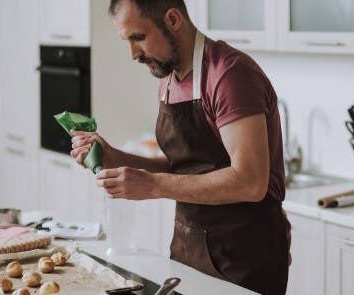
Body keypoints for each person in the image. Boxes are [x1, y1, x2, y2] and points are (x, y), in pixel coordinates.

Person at [70, 1, 290, 293]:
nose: (134, 54)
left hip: (243, 257)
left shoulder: (229, 75)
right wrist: (116, 157)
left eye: (139, 38)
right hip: (189, 251)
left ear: (173, 19)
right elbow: (184, 167)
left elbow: (250, 182)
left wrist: (151, 186)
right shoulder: (170, 80)